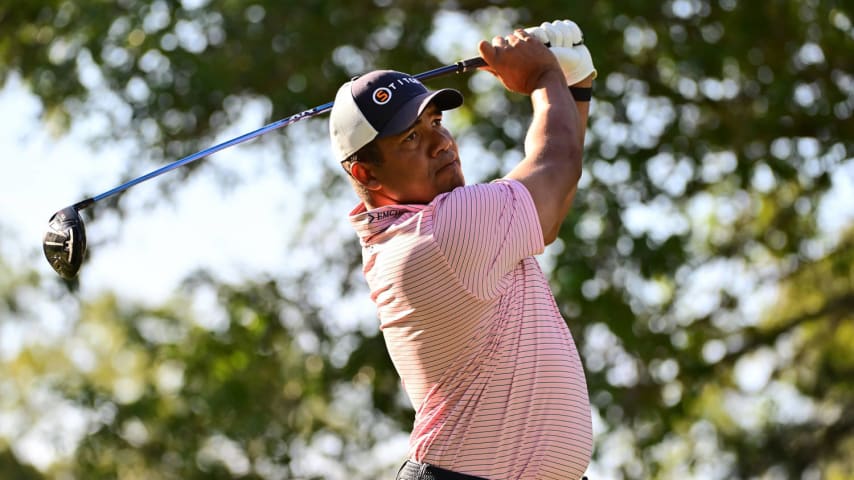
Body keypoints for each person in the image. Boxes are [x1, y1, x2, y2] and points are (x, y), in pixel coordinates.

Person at [328, 19, 596, 480]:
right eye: (411, 138)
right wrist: (545, 79)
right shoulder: (437, 234)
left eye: (435, 122)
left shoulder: (432, 228)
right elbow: (556, 166)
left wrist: (574, 90)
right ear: (366, 176)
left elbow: (557, 186)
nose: (440, 143)